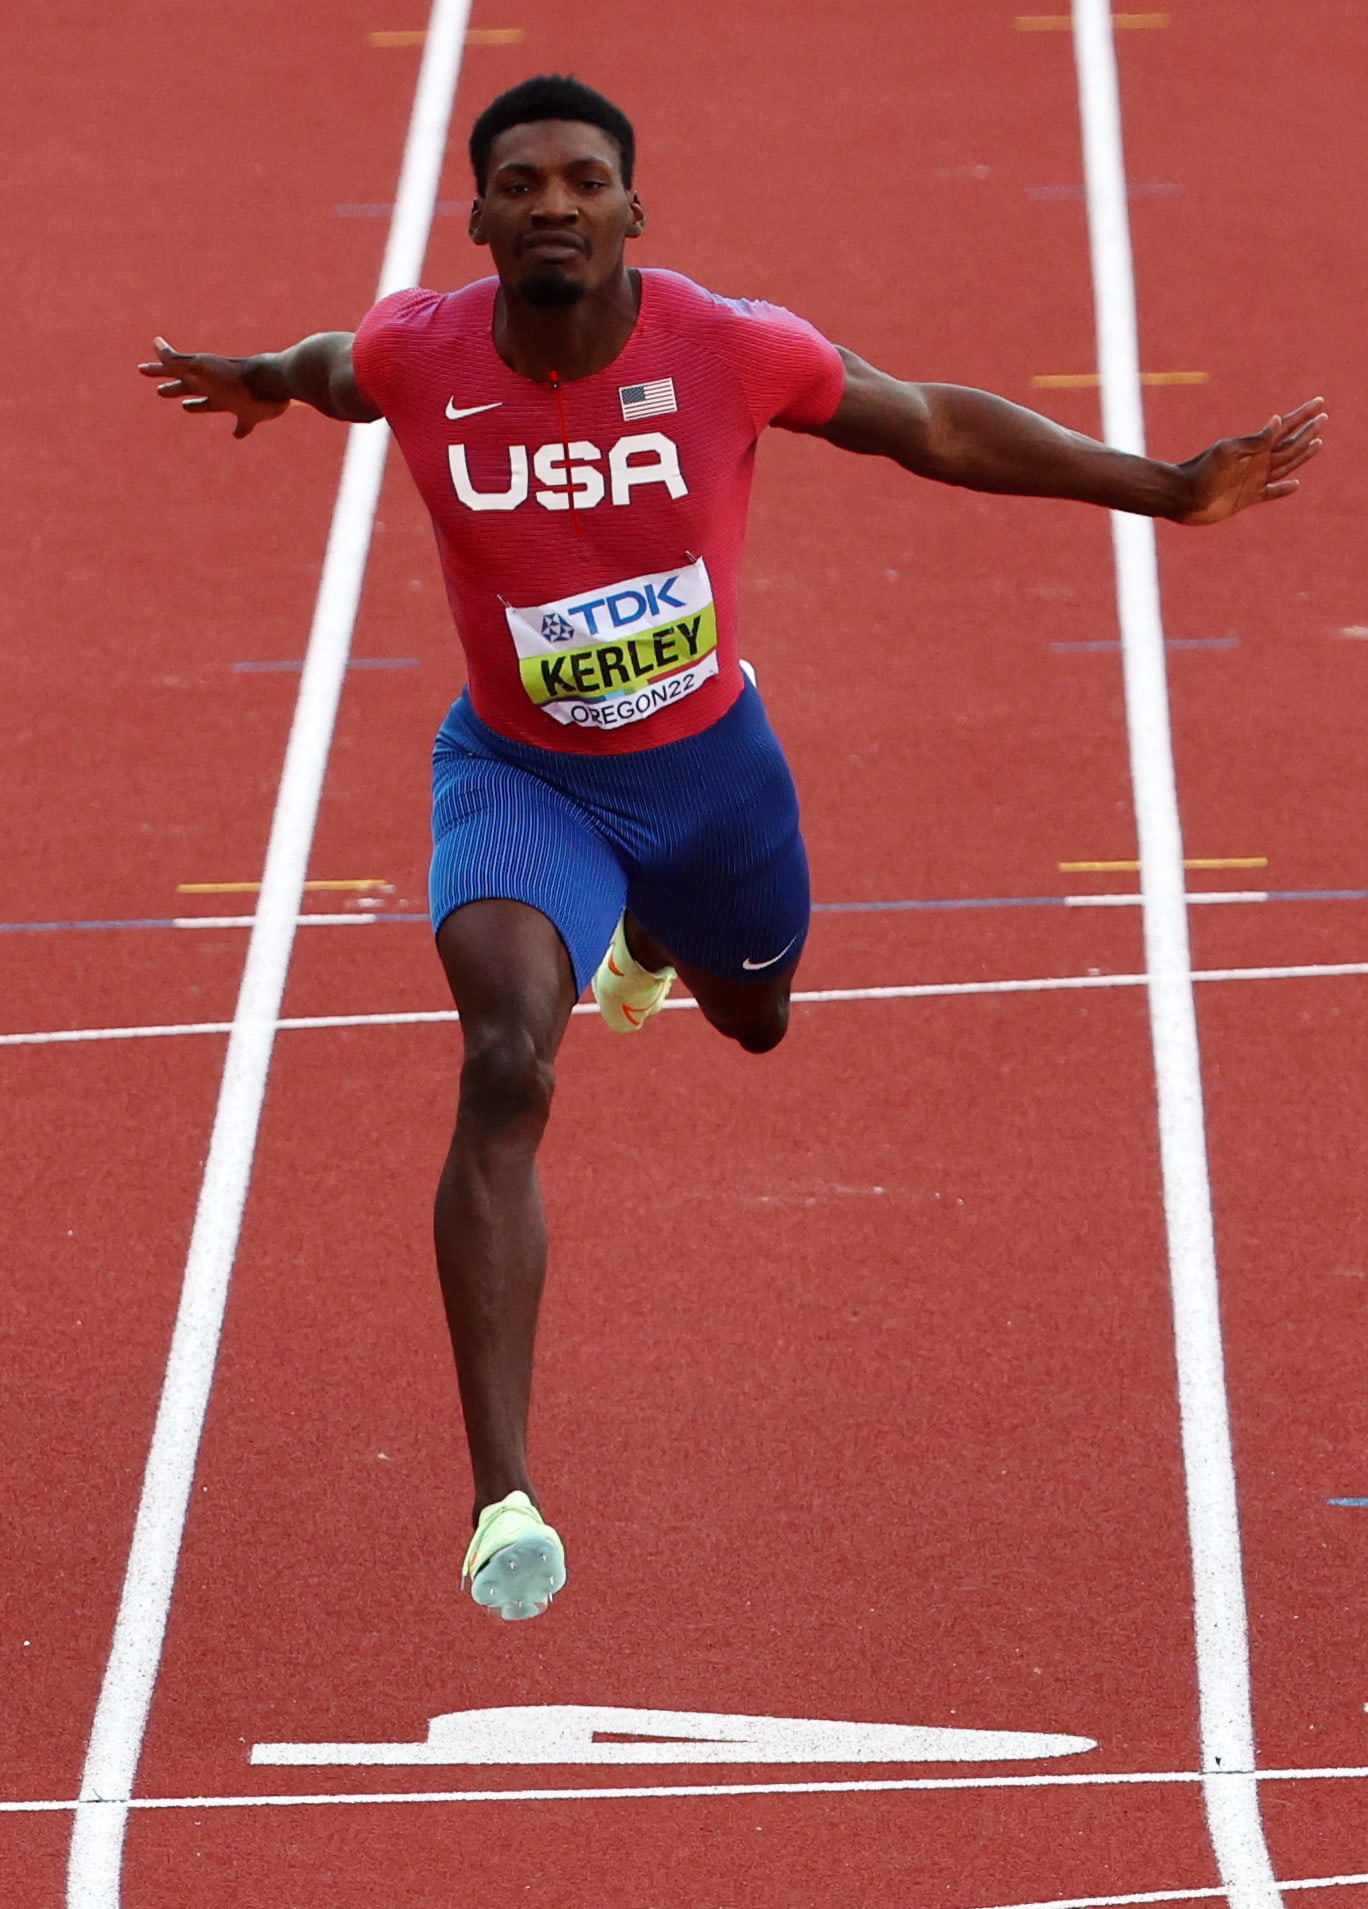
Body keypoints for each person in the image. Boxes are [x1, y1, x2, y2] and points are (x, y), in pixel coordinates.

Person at [139, 74, 1325, 1623]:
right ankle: (504, 1498)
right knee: (505, 1062)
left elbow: (931, 423)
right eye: (520, 181)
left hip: (708, 779)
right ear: (478, 215)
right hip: (520, 779)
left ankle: (653, 935)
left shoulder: (726, 347)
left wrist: (1163, 490)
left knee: (756, 1017)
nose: (553, 202)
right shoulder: (415, 351)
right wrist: (258, 379)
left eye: (583, 179)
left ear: (634, 211)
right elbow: (325, 367)